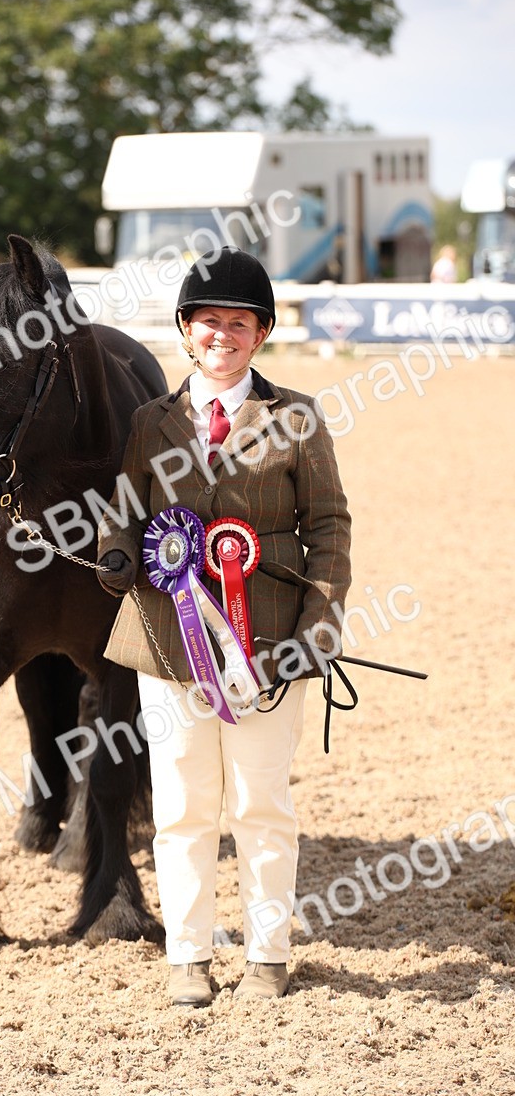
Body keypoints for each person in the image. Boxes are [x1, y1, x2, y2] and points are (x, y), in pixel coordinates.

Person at [96, 246, 351, 1007]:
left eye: (238, 322)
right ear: (185, 329)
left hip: (267, 641)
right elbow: (125, 512)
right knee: (180, 805)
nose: (222, 334)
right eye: (208, 321)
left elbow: (330, 523)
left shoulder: (296, 417)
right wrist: (114, 553)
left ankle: (268, 958)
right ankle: (188, 957)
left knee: (261, 803)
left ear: (261, 333)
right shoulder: (151, 422)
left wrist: (319, 624)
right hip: (169, 643)